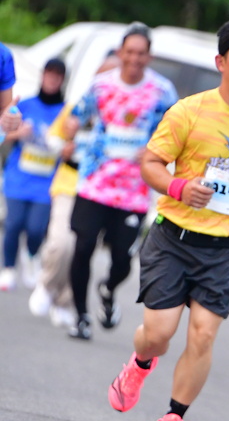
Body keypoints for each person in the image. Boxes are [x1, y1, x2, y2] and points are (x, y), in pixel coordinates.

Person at [107, 16, 229, 421]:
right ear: (221, 62)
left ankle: (174, 419)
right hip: (174, 237)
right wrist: (179, 188)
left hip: (227, 246)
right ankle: (140, 362)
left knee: (204, 334)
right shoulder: (189, 111)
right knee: (159, 334)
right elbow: (150, 163)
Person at [66, 23, 178, 340]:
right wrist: (71, 133)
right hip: (95, 183)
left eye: (141, 53)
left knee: (122, 259)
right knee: (83, 247)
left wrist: (155, 149)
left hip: (134, 190)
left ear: (149, 56)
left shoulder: (162, 91)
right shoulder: (101, 86)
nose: (134, 59)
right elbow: (75, 117)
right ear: (120, 52)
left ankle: (108, 288)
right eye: (130, 52)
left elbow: (175, 131)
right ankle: (81, 316)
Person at [28, 53, 121, 328]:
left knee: (81, 249)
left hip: (101, 190)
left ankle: (65, 300)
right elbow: (53, 137)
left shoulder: (126, 117)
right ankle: (47, 284)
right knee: (61, 243)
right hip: (69, 183)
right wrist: (63, 146)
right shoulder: (79, 108)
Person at [0, 58, 66, 291]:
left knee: (36, 228)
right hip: (18, 178)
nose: (52, 80)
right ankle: (8, 269)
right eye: (49, 74)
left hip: (46, 182)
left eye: (57, 76)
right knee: (14, 224)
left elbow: (72, 143)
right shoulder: (25, 105)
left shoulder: (65, 111)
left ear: (62, 80)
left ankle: (31, 255)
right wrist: (17, 134)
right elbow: (2, 133)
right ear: (42, 76)